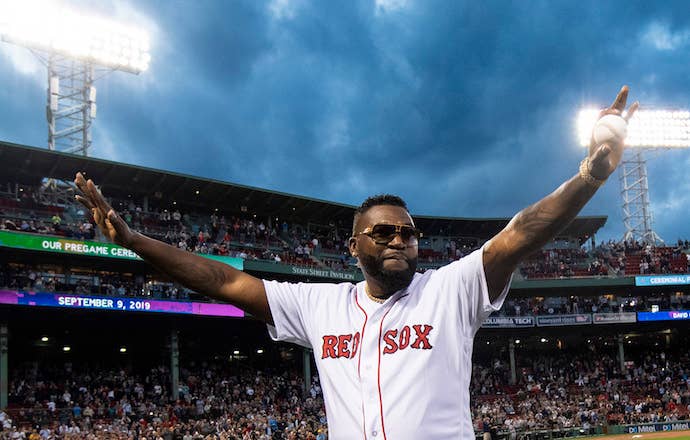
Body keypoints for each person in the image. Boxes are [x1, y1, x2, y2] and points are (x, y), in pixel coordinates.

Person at [74, 87, 638, 439]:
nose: (400, 240)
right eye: (384, 231)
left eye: (409, 233)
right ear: (354, 247)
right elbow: (223, 280)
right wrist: (135, 240)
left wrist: (589, 176)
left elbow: (520, 235)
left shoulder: (450, 291)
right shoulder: (319, 306)